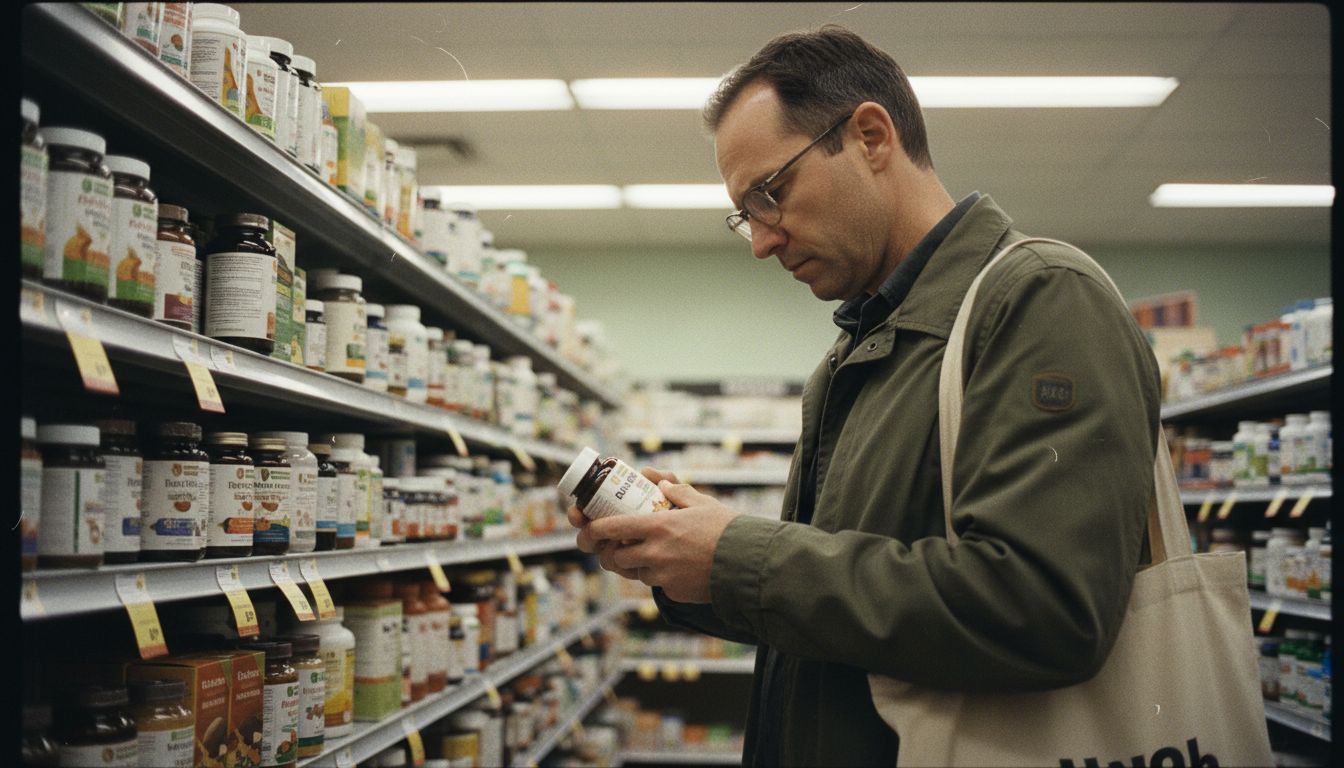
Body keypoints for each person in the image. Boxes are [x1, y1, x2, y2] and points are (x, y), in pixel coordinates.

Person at [569, 25, 1161, 766]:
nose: (760, 240)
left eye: (769, 194)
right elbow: (841, 608)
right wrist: (686, 561)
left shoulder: (1039, 300)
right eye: (744, 213)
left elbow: (1042, 610)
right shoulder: (860, 350)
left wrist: (741, 555)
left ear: (871, 136)